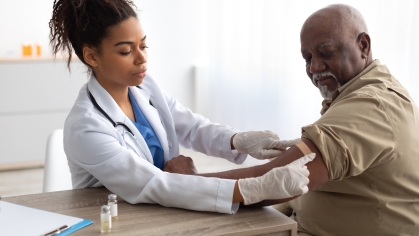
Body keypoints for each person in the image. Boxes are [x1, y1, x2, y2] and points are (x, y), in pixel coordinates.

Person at [166, 4, 419, 235]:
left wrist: (188, 182)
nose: (314, 68)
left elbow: (271, 180)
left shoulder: (371, 106)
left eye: (326, 52)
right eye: (307, 58)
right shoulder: (362, 91)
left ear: (363, 45)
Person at [49, 0, 313, 214]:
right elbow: (152, 183)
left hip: (163, 209)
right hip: (117, 219)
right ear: (91, 56)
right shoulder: (86, 126)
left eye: (143, 45)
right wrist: (249, 188)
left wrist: (238, 140)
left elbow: (191, 126)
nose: (142, 59)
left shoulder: (144, 88)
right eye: (126, 51)